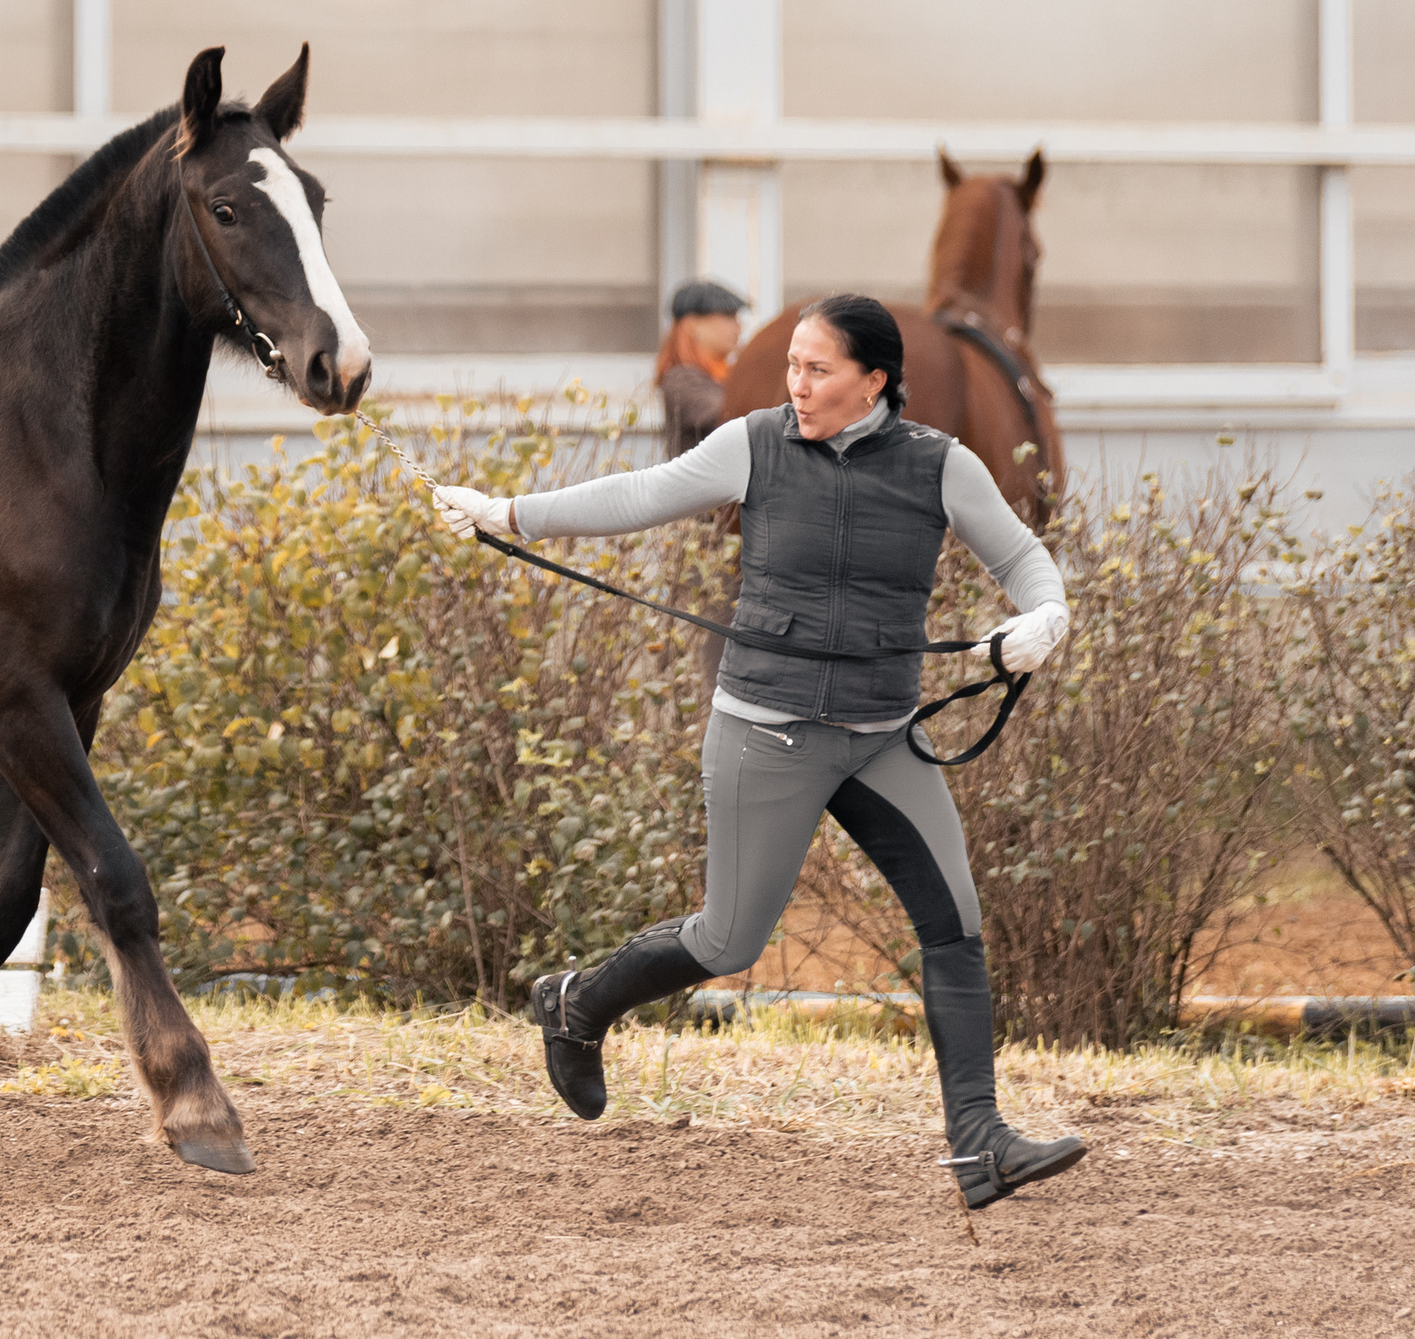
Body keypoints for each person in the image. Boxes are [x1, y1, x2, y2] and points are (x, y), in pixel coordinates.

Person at [432, 294, 1083, 1211]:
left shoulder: (942, 465)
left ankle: (980, 1143)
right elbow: (639, 494)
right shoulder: (754, 444)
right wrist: (508, 512)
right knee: (728, 939)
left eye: (817, 369)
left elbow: (1023, 558)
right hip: (767, 732)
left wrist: (1045, 616)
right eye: (793, 367)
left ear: (874, 381)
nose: (795, 385)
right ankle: (577, 1003)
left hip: (883, 737)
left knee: (955, 925)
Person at [656, 279, 745, 455]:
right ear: (691, 324)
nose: (738, 326)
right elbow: (728, 415)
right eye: (728, 316)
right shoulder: (680, 380)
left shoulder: (729, 374)